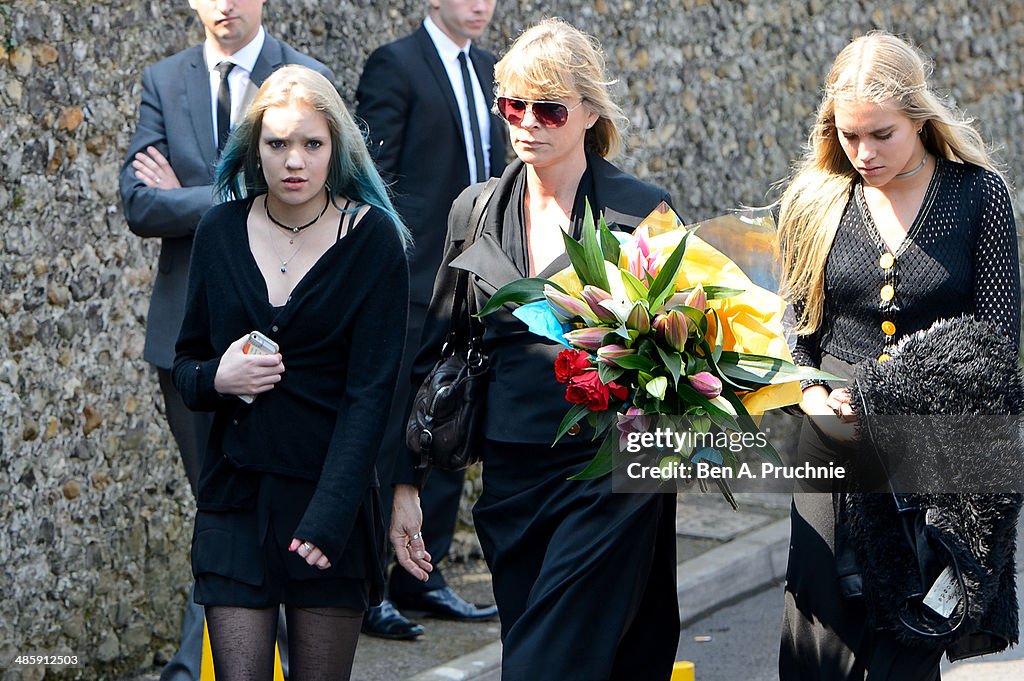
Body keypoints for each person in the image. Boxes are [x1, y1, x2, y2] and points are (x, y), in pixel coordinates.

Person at [390, 18, 680, 679]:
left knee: (545, 665)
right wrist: (404, 480)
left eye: (548, 108)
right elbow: (437, 347)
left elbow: (684, 350)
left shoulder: (643, 210)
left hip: (611, 477)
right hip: (512, 480)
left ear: (586, 113)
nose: (527, 122)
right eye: (511, 105)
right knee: (545, 649)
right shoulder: (475, 209)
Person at [775, 32, 1020, 680]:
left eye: (881, 134)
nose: (863, 153)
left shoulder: (979, 197)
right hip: (829, 442)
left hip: (928, 453)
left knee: (903, 646)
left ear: (919, 116)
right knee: (819, 638)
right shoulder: (815, 198)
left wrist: (888, 396)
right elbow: (799, 328)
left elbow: (995, 347)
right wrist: (809, 391)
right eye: (849, 135)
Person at [171, 65, 409, 681]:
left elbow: (370, 397)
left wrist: (331, 516)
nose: (294, 161)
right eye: (277, 144)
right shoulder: (220, 231)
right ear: (255, 149)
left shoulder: (373, 239)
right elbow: (186, 365)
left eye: (311, 143)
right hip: (235, 501)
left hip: (327, 508)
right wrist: (217, 379)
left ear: (337, 147)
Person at [119, 1, 332, 677]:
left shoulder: (305, 76)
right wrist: (237, 191)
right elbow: (138, 204)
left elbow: (319, 195)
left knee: (275, 504)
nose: (226, 4)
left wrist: (197, 190)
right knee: (220, 505)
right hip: (190, 338)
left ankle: (207, 665)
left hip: (288, 333)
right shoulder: (164, 79)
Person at [355, 0, 505, 638]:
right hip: (414, 282)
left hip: (480, 285)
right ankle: (368, 589)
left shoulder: (494, 71)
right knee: (390, 432)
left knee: (448, 426)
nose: (479, 5)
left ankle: (424, 576)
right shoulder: (395, 66)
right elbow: (373, 178)